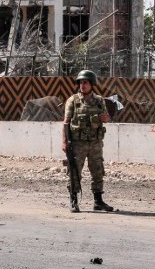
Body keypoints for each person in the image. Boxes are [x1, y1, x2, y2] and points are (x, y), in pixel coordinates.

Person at [62, 70, 113, 213]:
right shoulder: (73, 100)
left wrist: (105, 119)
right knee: (74, 172)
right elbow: (66, 123)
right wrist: (65, 142)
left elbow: (106, 118)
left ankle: (98, 201)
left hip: (96, 143)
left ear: (92, 84)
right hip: (78, 143)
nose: (82, 85)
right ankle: (74, 200)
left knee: (97, 171)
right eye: (80, 82)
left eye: (85, 82)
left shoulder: (99, 100)